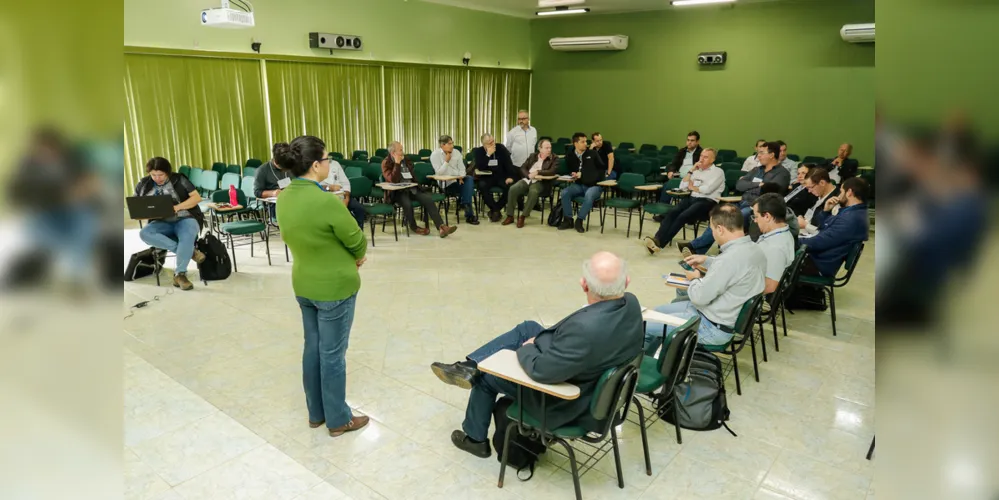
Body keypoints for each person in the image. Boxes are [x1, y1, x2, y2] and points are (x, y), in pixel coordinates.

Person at [429, 252, 643, 458]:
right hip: (590, 372)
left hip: (565, 401)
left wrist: (529, 347)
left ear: (584, 284)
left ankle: (475, 439)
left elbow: (541, 371)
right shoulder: (631, 303)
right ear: (627, 282)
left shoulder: (584, 328)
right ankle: (469, 366)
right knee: (528, 328)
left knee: (486, 376)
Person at [275, 135, 370, 438]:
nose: (330, 163)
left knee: (312, 347)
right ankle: (339, 419)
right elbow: (357, 241)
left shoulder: (284, 197)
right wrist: (356, 258)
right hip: (334, 287)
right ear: (316, 165)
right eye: (327, 159)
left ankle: (316, 413)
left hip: (304, 283)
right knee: (332, 354)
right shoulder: (326, 201)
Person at [645, 204, 766, 353]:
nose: (713, 234)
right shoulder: (755, 249)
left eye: (712, 229)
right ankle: (657, 356)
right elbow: (735, 267)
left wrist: (694, 278)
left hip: (710, 327)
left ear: (720, 229)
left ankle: (649, 364)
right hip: (717, 315)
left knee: (644, 325)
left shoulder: (728, 259)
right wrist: (707, 260)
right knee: (656, 312)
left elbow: (699, 298)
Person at [679, 142, 790, 254]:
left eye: (761, 153)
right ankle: (697, 249)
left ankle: (695, 246)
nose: (758, 156)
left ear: (771, 155)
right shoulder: (757, 170)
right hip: (741, 201)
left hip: (758, 207)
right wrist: (758, 184)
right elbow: (739, 185)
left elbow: (769, 190)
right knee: (719, 214)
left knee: (732, 218)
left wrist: (751, 185)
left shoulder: (782, 173)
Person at [135, 157, 206, 291]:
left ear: (167, 172)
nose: (157, 178)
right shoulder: (144, 184)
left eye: (161, 175)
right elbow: (137, 207)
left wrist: (176, 207)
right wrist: (147, 213)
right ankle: (191, 252)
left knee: (188, 235)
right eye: (153, 175)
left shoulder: (179, 179)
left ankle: (180, 275)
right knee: (144, 233)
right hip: (161, 222)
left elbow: (196, 198)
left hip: (185, 218)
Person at [644, 148, 724, 254]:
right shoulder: (696, 170)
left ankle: (660, 243)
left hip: (707, 201)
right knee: (672, 212)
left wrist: (693, 187)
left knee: (683, 216)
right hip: (692, 198)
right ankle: (656, 239)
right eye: (701, 156)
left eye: (705, 157)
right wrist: (691, 171)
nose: (701, 159)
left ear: (712, 160)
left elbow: (707, 190)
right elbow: (683, 186)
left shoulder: (718, 172)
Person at [382, 141, 458, 237]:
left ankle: (441, 227)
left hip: (411, 188)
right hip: (398, 192)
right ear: (393, 153)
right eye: (400, 150)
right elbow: (393, 179)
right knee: (407, 204)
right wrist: (397, 164)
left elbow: (411, 174)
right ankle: (414, 227)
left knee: (428, 199)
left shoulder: (405, 159)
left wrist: (404, 164)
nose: (402, 152)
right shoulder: (386, 163)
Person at [799, 177, 870, 277]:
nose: (839, 195)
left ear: (849, 192)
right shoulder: (852, 212)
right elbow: (824, 230)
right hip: (820, 259)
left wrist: (793, 241)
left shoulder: (851, 218)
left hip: (818, 264)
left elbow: (821, 241)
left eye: (841, 191)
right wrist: (826, 211)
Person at [502, 138, 559, 228]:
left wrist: (537, 172)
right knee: (513, 189)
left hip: (541, 181)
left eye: (550, 148)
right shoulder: (533, 156)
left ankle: (523, 216)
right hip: (528, 179)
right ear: (540, 148)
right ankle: (510, 216)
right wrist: (528, 175)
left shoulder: (554, 158)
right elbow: (523, 167)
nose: (549, 150)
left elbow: (552, 171)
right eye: (546, 148)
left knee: (533, 192)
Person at [558, 132, 606, 233]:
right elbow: (569, 169)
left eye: (586, 141)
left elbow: (601, 171)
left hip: (595, 185)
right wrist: (573, 174)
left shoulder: (592, 154)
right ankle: (568, 219)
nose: (586, 144)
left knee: (589, 195)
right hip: (579, 184)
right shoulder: (570, 156)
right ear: (575, 144)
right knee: (565, 192)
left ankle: (579, 221)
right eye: (582, 142)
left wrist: (583, 174)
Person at [430, 135, 479, 225]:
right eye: (449, 144)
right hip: (446, 184)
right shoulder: (435, 155)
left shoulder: (456, 152)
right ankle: (469, 213)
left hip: (459, 180)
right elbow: (439, 173)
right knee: (467, 189)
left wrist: (461, 176)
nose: (452, 146)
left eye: (452, 143)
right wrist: (446, 161)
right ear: (442, 145)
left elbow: (462, 169)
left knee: (469, 179)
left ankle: (465, 205)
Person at [474, 134, 517, 223]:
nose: (493, 144)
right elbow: (480, 167)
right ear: (484, 144)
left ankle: (495, 210)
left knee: (511, 187)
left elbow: (509, 164)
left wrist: (510, 177)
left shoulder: (501, 148)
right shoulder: (479, 151)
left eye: (493, 141)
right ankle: (496, 210)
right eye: (490, 143)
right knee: (482, 185)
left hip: (501, 176)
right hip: (487, 177)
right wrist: (488, 155)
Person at [321, 158, 365, 228]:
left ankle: (358, 231)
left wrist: (346, 198)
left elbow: (345, 183)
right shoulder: (313, 166)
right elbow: (313, 185)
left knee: (359, 209)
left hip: (341, 195)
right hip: (325, 196)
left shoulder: (335, 163)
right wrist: (328, 187)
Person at [254, 143, 294, 220]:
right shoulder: (262, 170)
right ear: (275, 161)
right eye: (283, 167)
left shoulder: (291, 165)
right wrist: (273, 193)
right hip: (275, 204)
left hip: (293, 198)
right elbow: (257, 192)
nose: (285, 170)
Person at [797, 167, 840, 237]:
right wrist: (805, 220)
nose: (809, 191)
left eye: (811, 187)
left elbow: (829, 234)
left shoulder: (835, 201)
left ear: (822, 183)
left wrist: (806, 225)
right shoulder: (819, 195)